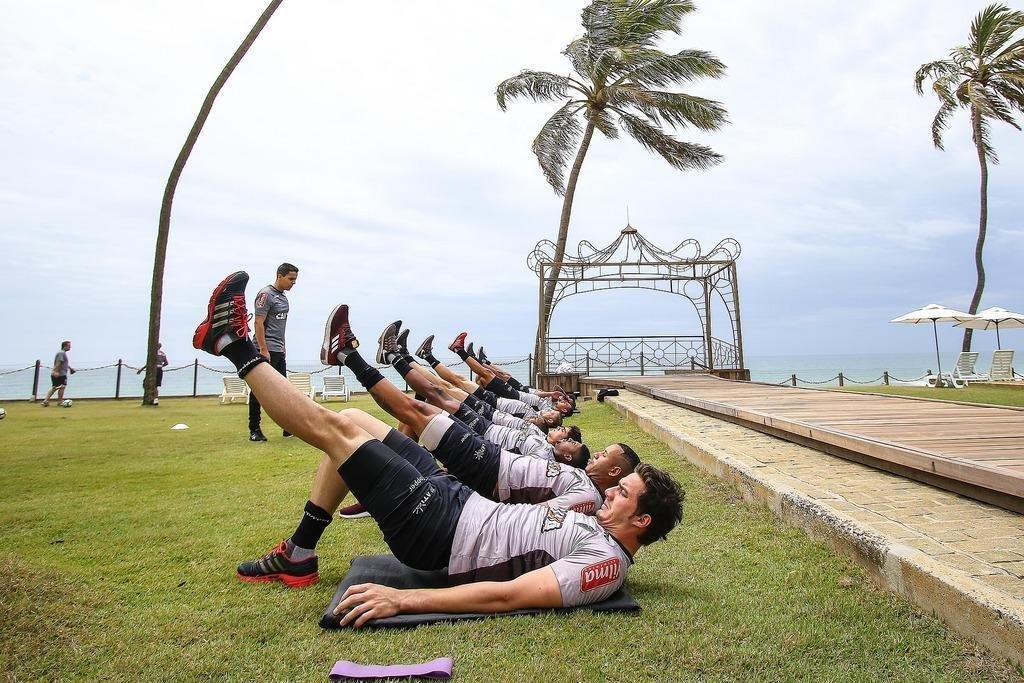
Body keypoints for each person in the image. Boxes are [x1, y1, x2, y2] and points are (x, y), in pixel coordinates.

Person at [193, 272, 684, 623]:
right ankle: (300, 552)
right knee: (355, 419)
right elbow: (515, 499)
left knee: (335, 433)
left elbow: (510, 596)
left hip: (443, 535)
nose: (613, 490)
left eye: (624, 492)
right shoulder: (591, 517)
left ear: (640, 521)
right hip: (459, 503)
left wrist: (404, 600)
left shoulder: (604, 563)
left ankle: (231, 344)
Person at [248, 263, 298, 442]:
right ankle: (254, 429)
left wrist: (282, 347)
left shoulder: (283, 298)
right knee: (258, 390)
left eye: (295, 280)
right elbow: (258, 323)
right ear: (280, 276)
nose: (293, 283)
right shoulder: (266, 295)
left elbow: (280, 326)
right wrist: (263, 349)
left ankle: (287, 427)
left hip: (278, 349)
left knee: (283, 389)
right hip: (265, 350)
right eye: (291, 279)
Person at [41, 340, 75, 406]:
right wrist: (56, 371)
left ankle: (46, 401)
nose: (70, 347)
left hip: (59, 373)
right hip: (61, 374)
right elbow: (58, 363)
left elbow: (63, 363)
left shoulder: (62, 353)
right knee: (62, 387)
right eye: (69, 346)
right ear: (65, 346)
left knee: (54, 387)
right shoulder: (61, 353)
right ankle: (59, 401)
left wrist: (70, 368)